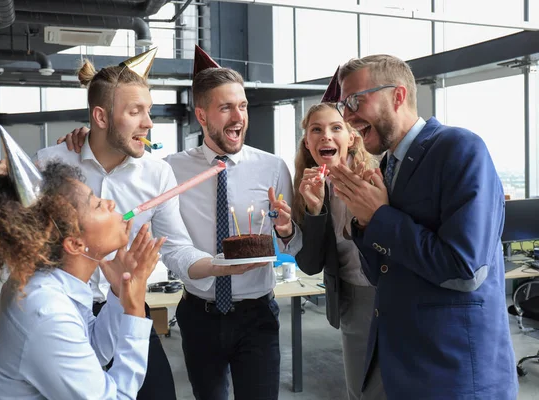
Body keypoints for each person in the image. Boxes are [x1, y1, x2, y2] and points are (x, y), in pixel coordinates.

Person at [60, 45, 297, 400]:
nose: (149, 122)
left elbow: (178, 247)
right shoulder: (166, 168)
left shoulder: (268, 167)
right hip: (185, 313)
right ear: (202, 116)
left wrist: (278, 235)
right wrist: (78, 140)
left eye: (243, 105)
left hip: (246, 311)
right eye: (226, 107)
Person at [330, 54, 518, 399]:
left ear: (398, 96)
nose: (347, 115)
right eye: (343, 104)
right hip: (398, 365)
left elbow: (465, 269)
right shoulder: (387, 166)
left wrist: (380, 217)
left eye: (356, 100)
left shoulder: (460, 148)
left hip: (453, 372)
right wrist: (363, 220)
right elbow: (381, 274)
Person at [37, 48, 214, 400]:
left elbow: (175, 246)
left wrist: (221, 267)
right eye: (135, 111)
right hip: (63, 314)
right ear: (100, 117)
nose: (149, 122)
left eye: (148, 110)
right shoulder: (50, 164)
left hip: (127, 303)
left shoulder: (157, 172)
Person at [0, 137, 165, 399]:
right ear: (75, 243)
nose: (110, 203)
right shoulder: (45, 311)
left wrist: (118, 295)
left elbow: (91, 348)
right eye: (96, 203)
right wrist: (135, 309)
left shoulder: (52, 282)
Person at [285, 91, 382, 399]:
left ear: (352, 137)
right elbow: (311, 265)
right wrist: (314, 211)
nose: (326, 135)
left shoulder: (377, 176)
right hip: (352, 298)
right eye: (316, 129)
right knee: (361, 391)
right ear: (307, 142)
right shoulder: (309, 187)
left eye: (335, 128)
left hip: (393, 293)